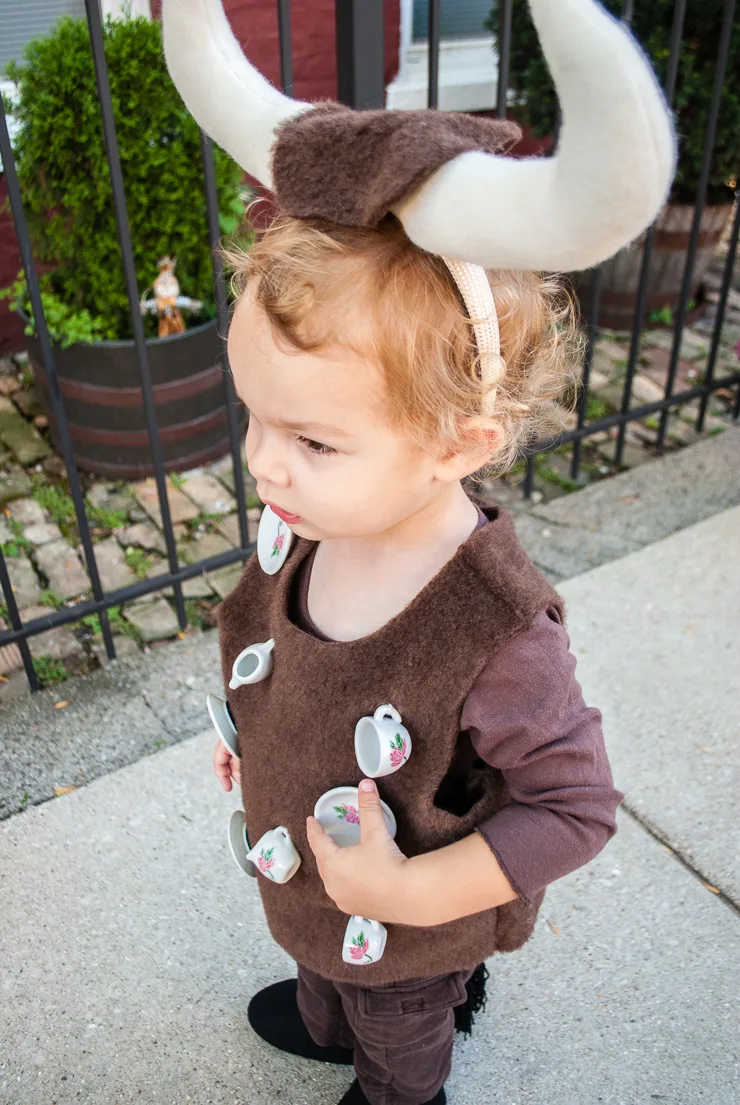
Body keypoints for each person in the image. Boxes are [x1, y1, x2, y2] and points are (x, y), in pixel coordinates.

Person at [161, 1, 676, 1102]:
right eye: (253, 414)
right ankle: (318, 1014)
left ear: (459, 443)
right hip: (300, 860)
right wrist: (257, 740)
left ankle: (398, 1081)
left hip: (402, 921)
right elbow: (284, 655)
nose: (263, 463)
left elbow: (573, 808)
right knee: (315, 964)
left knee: (393, 1019)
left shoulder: (493, 630)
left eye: (311, 438)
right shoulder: (311, 524)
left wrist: (410, 894)